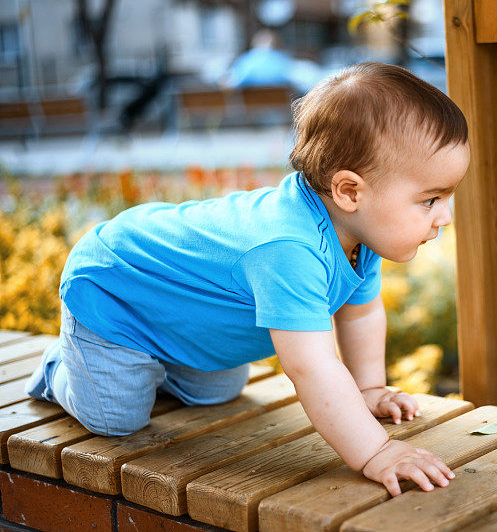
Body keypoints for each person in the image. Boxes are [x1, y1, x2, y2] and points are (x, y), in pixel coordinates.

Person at [24, 61, 470, 497]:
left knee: (219, 389)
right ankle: (61, 365)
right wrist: (377, 452)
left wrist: (368, 389)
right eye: (430, 200)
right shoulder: (288, 249)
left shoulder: (358, 232)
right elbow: (312, 367)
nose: (444, 217)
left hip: (178, 310)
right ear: (349, 191)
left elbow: (361, 312)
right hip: (116, 287)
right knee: (116, 418)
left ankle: (151, 364)